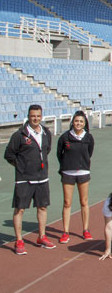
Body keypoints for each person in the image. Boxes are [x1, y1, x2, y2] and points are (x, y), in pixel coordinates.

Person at [5, 104, 55, 254]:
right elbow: (9, 154)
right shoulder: (19, 135)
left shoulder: (46, 132)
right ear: (28, 116)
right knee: (20, 209)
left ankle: (42, 236)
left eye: (38, 116)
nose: (36, 118)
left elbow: (47, 150)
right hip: (24, 179)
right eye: (33, 116)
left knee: (42, 207)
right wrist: (21, 166)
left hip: (41, 177)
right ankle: (19, 241)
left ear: (41, 116)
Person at [56, 111, 95, 244]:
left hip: (83, 173)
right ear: (72, 122)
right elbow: (59, 154)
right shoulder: (65, 137)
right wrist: (67, 165)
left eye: (81, 122)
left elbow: (89, 153)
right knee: (67, 203)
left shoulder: (88, 138)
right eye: (76, 121)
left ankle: (85, 230)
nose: (78, 123)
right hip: (68, 173)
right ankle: (65, 232)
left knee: (84, 202)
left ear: (85, 124)